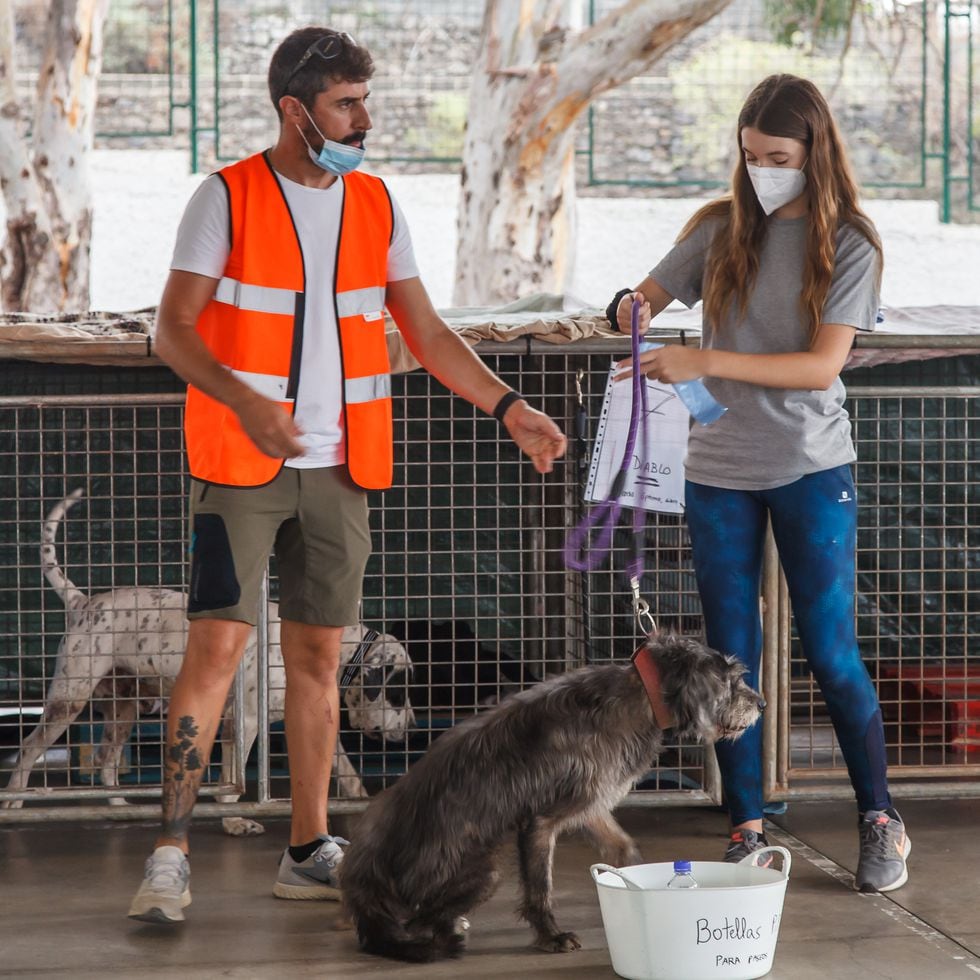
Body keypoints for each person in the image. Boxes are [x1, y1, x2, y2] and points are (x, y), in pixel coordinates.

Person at [128, 26, 566, 924]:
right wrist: (247, 404)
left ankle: (307, 848)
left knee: (320, 659)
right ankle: (170, 852)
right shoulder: (226, 198)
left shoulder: (374, 203)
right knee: (216, 648)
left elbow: (431, 334)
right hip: (242, 465)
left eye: (365, 101)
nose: (365, 120)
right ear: (296, 110)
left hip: (342, 469)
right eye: (347, 104)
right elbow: (171, 331)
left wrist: (508, 406)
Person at [608, 74, 909, 893]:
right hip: (719, 472)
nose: (762, 170)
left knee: (833, 650)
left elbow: (820, 366)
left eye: (778, 157)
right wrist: (633, 308)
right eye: (750, 156)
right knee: (728, 657)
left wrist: (705, 358)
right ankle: (744, 826)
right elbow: (646, 295)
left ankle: (879, 818)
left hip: (811, 468)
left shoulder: (851, 242)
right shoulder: (719, 226)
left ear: (816, 154)